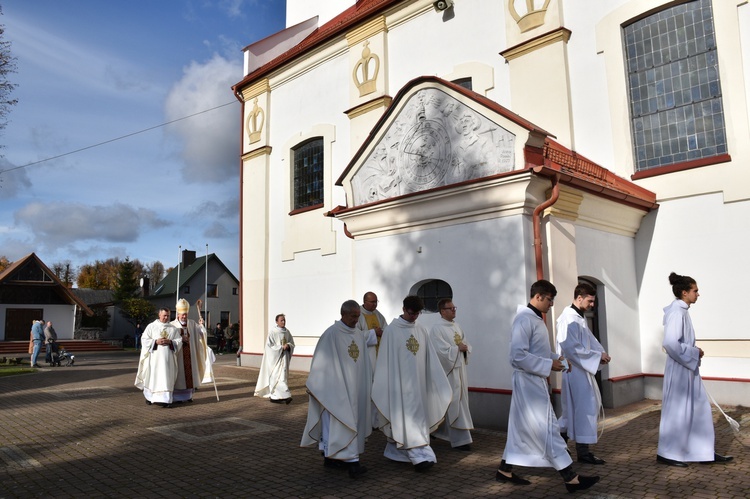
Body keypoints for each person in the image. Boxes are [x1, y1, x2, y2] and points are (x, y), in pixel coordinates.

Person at [496, 279, 599, 493]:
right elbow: (517, 356)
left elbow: (537, 352)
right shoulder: (524, 320)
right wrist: (548, 364)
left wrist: (558, 359)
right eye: (550, 300)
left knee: (519, 429)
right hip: (528, 383)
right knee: (547, 428)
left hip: (533, 380)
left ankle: (504, 470)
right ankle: (571, 478)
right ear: (538, 296)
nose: (551, 305)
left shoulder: (534, 319)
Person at [656, 272, 733, 467]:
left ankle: (702, 451)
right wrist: (693, 352)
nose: (698, 294)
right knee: (678, 411)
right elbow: (670, 343)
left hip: (687, 367)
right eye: (695, 291)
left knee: (698, 410)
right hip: (680, 368)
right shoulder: (676, 312)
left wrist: (692, 352)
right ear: (684, 292)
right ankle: (668, 453)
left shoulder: (682, 310)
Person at [372, 295, 451, 472]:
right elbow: (386, 361)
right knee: (407, 418)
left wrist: (434, 378)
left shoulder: (421, 329)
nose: (414, 317)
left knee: (415, 418)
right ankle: (421, 457)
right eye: (411, 313)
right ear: (403, 309)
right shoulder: (392, 330)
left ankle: (396, 452)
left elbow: (429, 356)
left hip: (420, 384)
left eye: (417, 314)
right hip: (400, 385)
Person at [301, 300, 371, 478]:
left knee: (348, 422)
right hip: (335, 390)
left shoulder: (359, 335)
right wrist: (316, 384)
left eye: (358, 316)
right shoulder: (331, 334)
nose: (356, 320)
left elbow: (363, 364)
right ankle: (352, 462)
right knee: (340, 422)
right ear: (343, 314)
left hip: (354, 388)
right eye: (353, 316)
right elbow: (321, 362)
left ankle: (331, 457)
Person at [556, 283, 611, 464]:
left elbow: (590, 341)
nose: (592, 305)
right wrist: (596, 357)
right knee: (579, 411)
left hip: (582, 371)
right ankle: (564, 448)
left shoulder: (579, 318)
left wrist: (601, 355)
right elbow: (571, 349)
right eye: (590, 300)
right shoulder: (568, 319)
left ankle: (571, 449)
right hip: (573, 372)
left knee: (580, 411)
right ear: (580, 298)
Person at [429, 298, 474, 451]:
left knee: (458, 403)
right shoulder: (436, 329)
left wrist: (465, 348)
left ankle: (437, 430)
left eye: (455, 307)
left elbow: (464, 343)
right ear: (442, 311)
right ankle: (460, 440)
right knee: (453, 403)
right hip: (448, 372)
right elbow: (439, 351)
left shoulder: (457, 326)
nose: (454, 310)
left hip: (459, 371)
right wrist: (457, 349)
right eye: (450, 308)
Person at [134, 308, 182, 408]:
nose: (166, 317)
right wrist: (155, 342)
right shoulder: (151, 326)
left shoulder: (172, 328)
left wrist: (170, 342)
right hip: (155, 359)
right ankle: (150, 397)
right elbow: (144, 339)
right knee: (153, 378)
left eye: (168, 315)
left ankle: (166, 400)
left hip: (168, 360)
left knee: (166, 378)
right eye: (164, 315)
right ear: (159, 315)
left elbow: (179, 341)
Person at [356, 291, 387, 424]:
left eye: (376, 301)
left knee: (378, 386)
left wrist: (383, 333)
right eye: (372, 302)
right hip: (367, 357)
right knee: (368, 388)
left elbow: (387, 330)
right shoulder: (357, 315)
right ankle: (368, 419)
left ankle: (377, 419)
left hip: (379, 356)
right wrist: (373, 333)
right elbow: (355, 336)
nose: (375, 304)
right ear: (365, 301)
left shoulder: (378, 315)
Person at [171, 299, 210, 404]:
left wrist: (201, 326)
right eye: (182, 314)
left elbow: (201, 334)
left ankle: (188, 396)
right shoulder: (172, 325)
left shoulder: (192, 324)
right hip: (178, 355)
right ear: (178, 314)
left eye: (186, 314)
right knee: (179, 376)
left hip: (190, 355)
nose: (184, 316)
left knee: (190, 375)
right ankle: (177, 398)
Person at [255, 314, 295, 404]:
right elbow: (269, 347)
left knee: (283, 377)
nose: (283, 322)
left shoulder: (287, 332)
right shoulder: (273, 332)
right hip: (275, 360)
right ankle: (280, 396)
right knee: (276, 378)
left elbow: (292, 343)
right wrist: (281, 348)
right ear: (276, 321)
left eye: (284, 320)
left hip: (284, 359)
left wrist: (288, 346)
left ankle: (279, 397)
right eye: (281, 320)